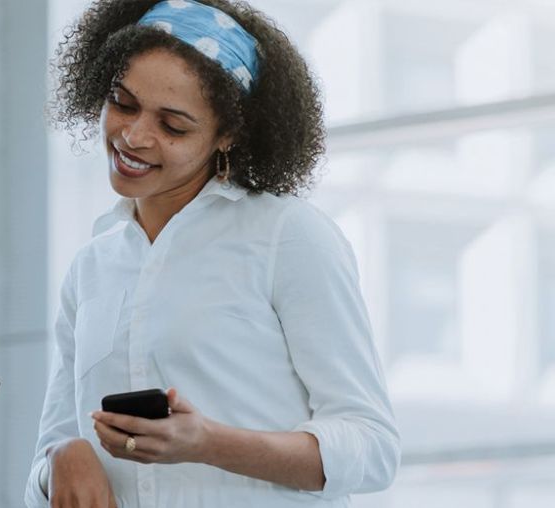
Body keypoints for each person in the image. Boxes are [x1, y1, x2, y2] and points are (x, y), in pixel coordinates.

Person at [25, 0, 400, 506]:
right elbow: (50, 454)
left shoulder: (286, 235)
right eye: (123, 103)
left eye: (173, 126)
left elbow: (372, 447)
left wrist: (208, 443)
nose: (134, 136)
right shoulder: (92, 267)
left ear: (226, 135)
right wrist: (61, 460)